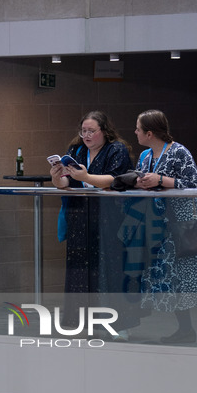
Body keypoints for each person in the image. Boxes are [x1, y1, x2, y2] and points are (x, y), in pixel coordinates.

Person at [134, 109, 197, 344]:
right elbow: (144, 182)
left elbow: (193, 183)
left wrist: (161, 181)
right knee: (170, 276)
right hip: (158, 222)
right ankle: (185, 329)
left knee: (188, 274)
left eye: (138, 128)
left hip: (182, 222)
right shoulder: (145, 156)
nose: (134, 132)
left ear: (149, 132)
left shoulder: (179, 152)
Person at [50, 110, 133, 301]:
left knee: (110, 266)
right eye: (83, 131)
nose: (86, 135)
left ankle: (115, 322)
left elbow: (115, 180)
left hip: (109, 217)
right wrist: (56, 178)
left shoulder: (116, 150)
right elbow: (66, 184)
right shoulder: (75, 151)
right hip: (80, 216)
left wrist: (86, 177)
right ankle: (81, 319)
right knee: (79, 267)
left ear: (104, 131)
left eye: (91, 131)